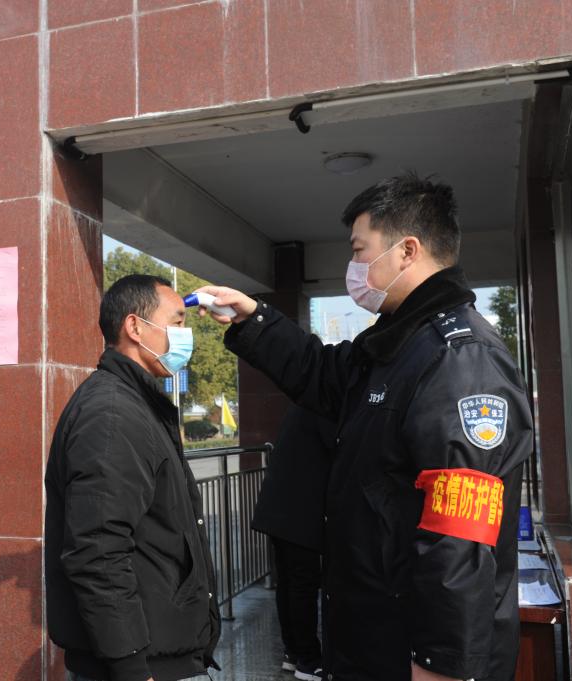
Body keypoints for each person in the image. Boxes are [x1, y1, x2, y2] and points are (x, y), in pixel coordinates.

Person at [195, 174, 532, 681]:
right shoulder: (396, 343)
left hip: (412, 655)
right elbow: (322, 373)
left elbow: (458, 538)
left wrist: (440, 664)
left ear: (407, 250)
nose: (353, 266)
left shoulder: (460, 359)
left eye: (359, 250)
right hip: (371, 638)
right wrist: (253, 318)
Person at [45, 274, 220, 681]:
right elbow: (98, 551)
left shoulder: (135, 403)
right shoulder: (112, 414)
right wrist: (130, 665)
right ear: (135, 327)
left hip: (159, 649)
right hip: (137, 664)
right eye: (177, 323)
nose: (185, 336)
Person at [251, 404, 332, 680]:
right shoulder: (323, 409)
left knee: (288, 582)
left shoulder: (302, 407)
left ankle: (294, 652)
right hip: (297, 512)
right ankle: (308, 660)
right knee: (302, 584)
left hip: (280, 509)